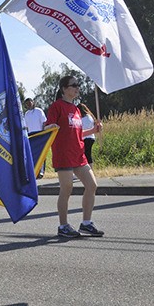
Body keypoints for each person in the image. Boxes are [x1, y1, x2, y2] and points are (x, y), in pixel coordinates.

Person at [44, 76, 104, 238]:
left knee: (92, 185)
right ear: (64, 89)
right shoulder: (57, 106)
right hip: (63, 154)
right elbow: (48, 127)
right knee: (67, 188)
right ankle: (63, 226)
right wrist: (51, 126)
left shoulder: (77, 109)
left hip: (78, 154)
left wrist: (93, 131)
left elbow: (77, 134)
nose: (77, 88)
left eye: (78, 85)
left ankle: (86, 224)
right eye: (74, 85)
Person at [24, 97, 47, 178]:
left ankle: (41, 171)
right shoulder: (26, 114)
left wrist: (44, 133)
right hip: (31, 135)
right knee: (33, 153)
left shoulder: (39, 111)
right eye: (27, 103)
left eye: (30, 102)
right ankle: (35, 171)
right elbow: (26, 127)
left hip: (39, 133)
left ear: (33, 102)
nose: (29, 104)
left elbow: (44, 122)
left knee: (42, 153)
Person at [79, 104, 96, 169]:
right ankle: (90, 169)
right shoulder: (90, 116)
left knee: (85, 155)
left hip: (85, 137)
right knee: (88, 154)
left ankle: (88, 169)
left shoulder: (82, 118)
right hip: (91, 137)